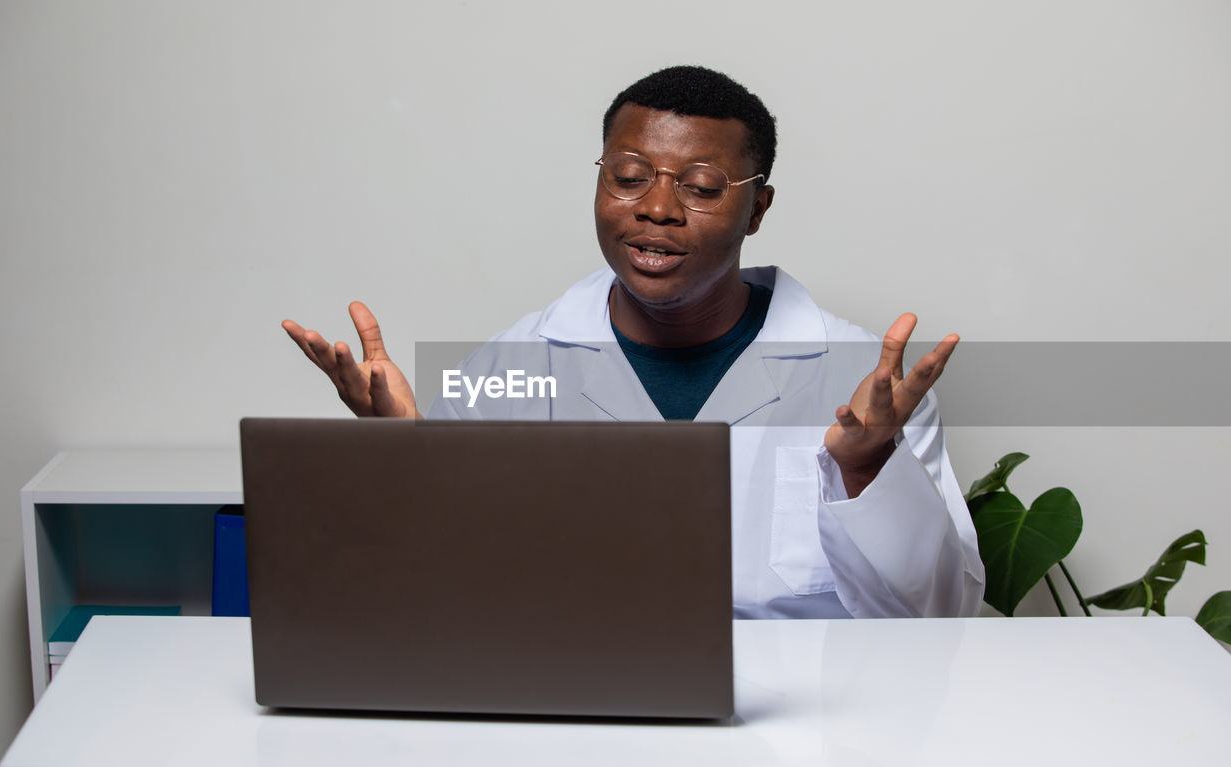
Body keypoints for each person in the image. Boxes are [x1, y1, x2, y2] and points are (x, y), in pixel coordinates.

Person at [283, 66, 984, 619]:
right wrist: (402, 460)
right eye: (628, 177)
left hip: (805, 727)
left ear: (757, 209)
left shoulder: (866, 382)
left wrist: (867, 469)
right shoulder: (505, 368)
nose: (656, 208)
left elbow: (939, 617)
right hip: (575, 709)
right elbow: (436, 598)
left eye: (702, 185)